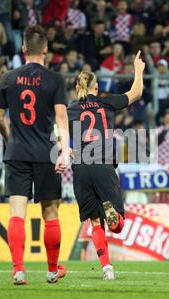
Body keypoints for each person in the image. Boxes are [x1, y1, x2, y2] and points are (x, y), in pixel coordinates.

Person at [0, 25, 70, 285]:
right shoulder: (55, 79)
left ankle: (18, 269)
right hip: (46, 153)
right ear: (46, 50)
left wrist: (10, 139)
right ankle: (51, 270)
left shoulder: (8, 77)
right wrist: (64, 151)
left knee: (17, 211)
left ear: (24, 49)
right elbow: (61, 120)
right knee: (50, 212)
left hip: (16, 152)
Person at [67, 50, 145, 280]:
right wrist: (138, 70)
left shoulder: (70, 109)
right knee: (118, 225)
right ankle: (114, 215)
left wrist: (66, 148)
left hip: (81, 167)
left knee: (94, 222)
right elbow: (136, 92)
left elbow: (57, 130)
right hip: (102, 164)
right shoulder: (106, 102)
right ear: (96, 87)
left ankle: (106, 268)